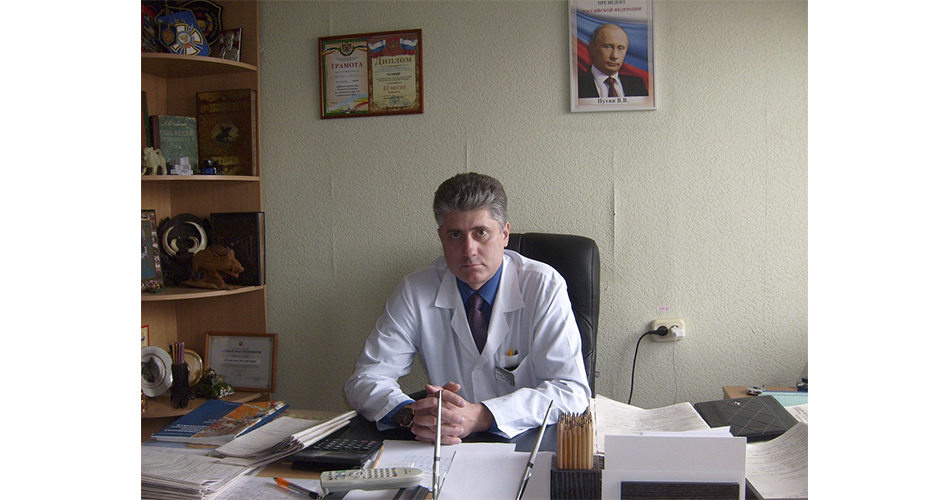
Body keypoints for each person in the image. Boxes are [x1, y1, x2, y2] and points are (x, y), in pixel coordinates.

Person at [344, 172, 591, 444]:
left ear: (504, 234)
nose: (469, 250)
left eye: (480, 233)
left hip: (526, 442)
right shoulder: (415, 291)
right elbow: (365, 380)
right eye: (455, 235)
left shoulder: (543, 286)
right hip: (447, 444)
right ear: (441, 237)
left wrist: (482, 415)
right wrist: (413, 415)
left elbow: (571, 391)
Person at [577, 23, 648, 98]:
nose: (614, 56)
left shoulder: (637, 85)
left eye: (620, 48)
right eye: (607, 47)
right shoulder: (578, 85)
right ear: (592, 48)